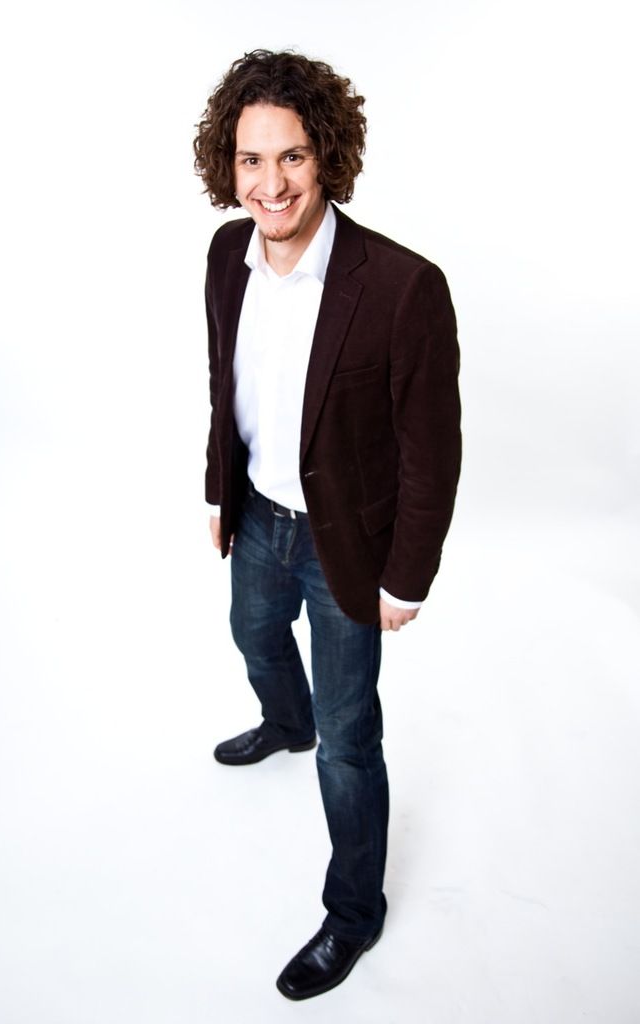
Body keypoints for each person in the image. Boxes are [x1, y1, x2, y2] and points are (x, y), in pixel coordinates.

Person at [193, 49, 461, 1001]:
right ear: (228, 165)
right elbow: (226, 387)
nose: (270, 184)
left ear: (327, 157)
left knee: (350, 742)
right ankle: (284, 720)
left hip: (346, 545)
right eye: (251, 160)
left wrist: (405, 576)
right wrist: (220, 493)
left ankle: (353, 915)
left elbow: (431, 452)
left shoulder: (401, 287)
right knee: (251, 635)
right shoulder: (225, 255)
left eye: (292, 158)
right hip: (258, 515)